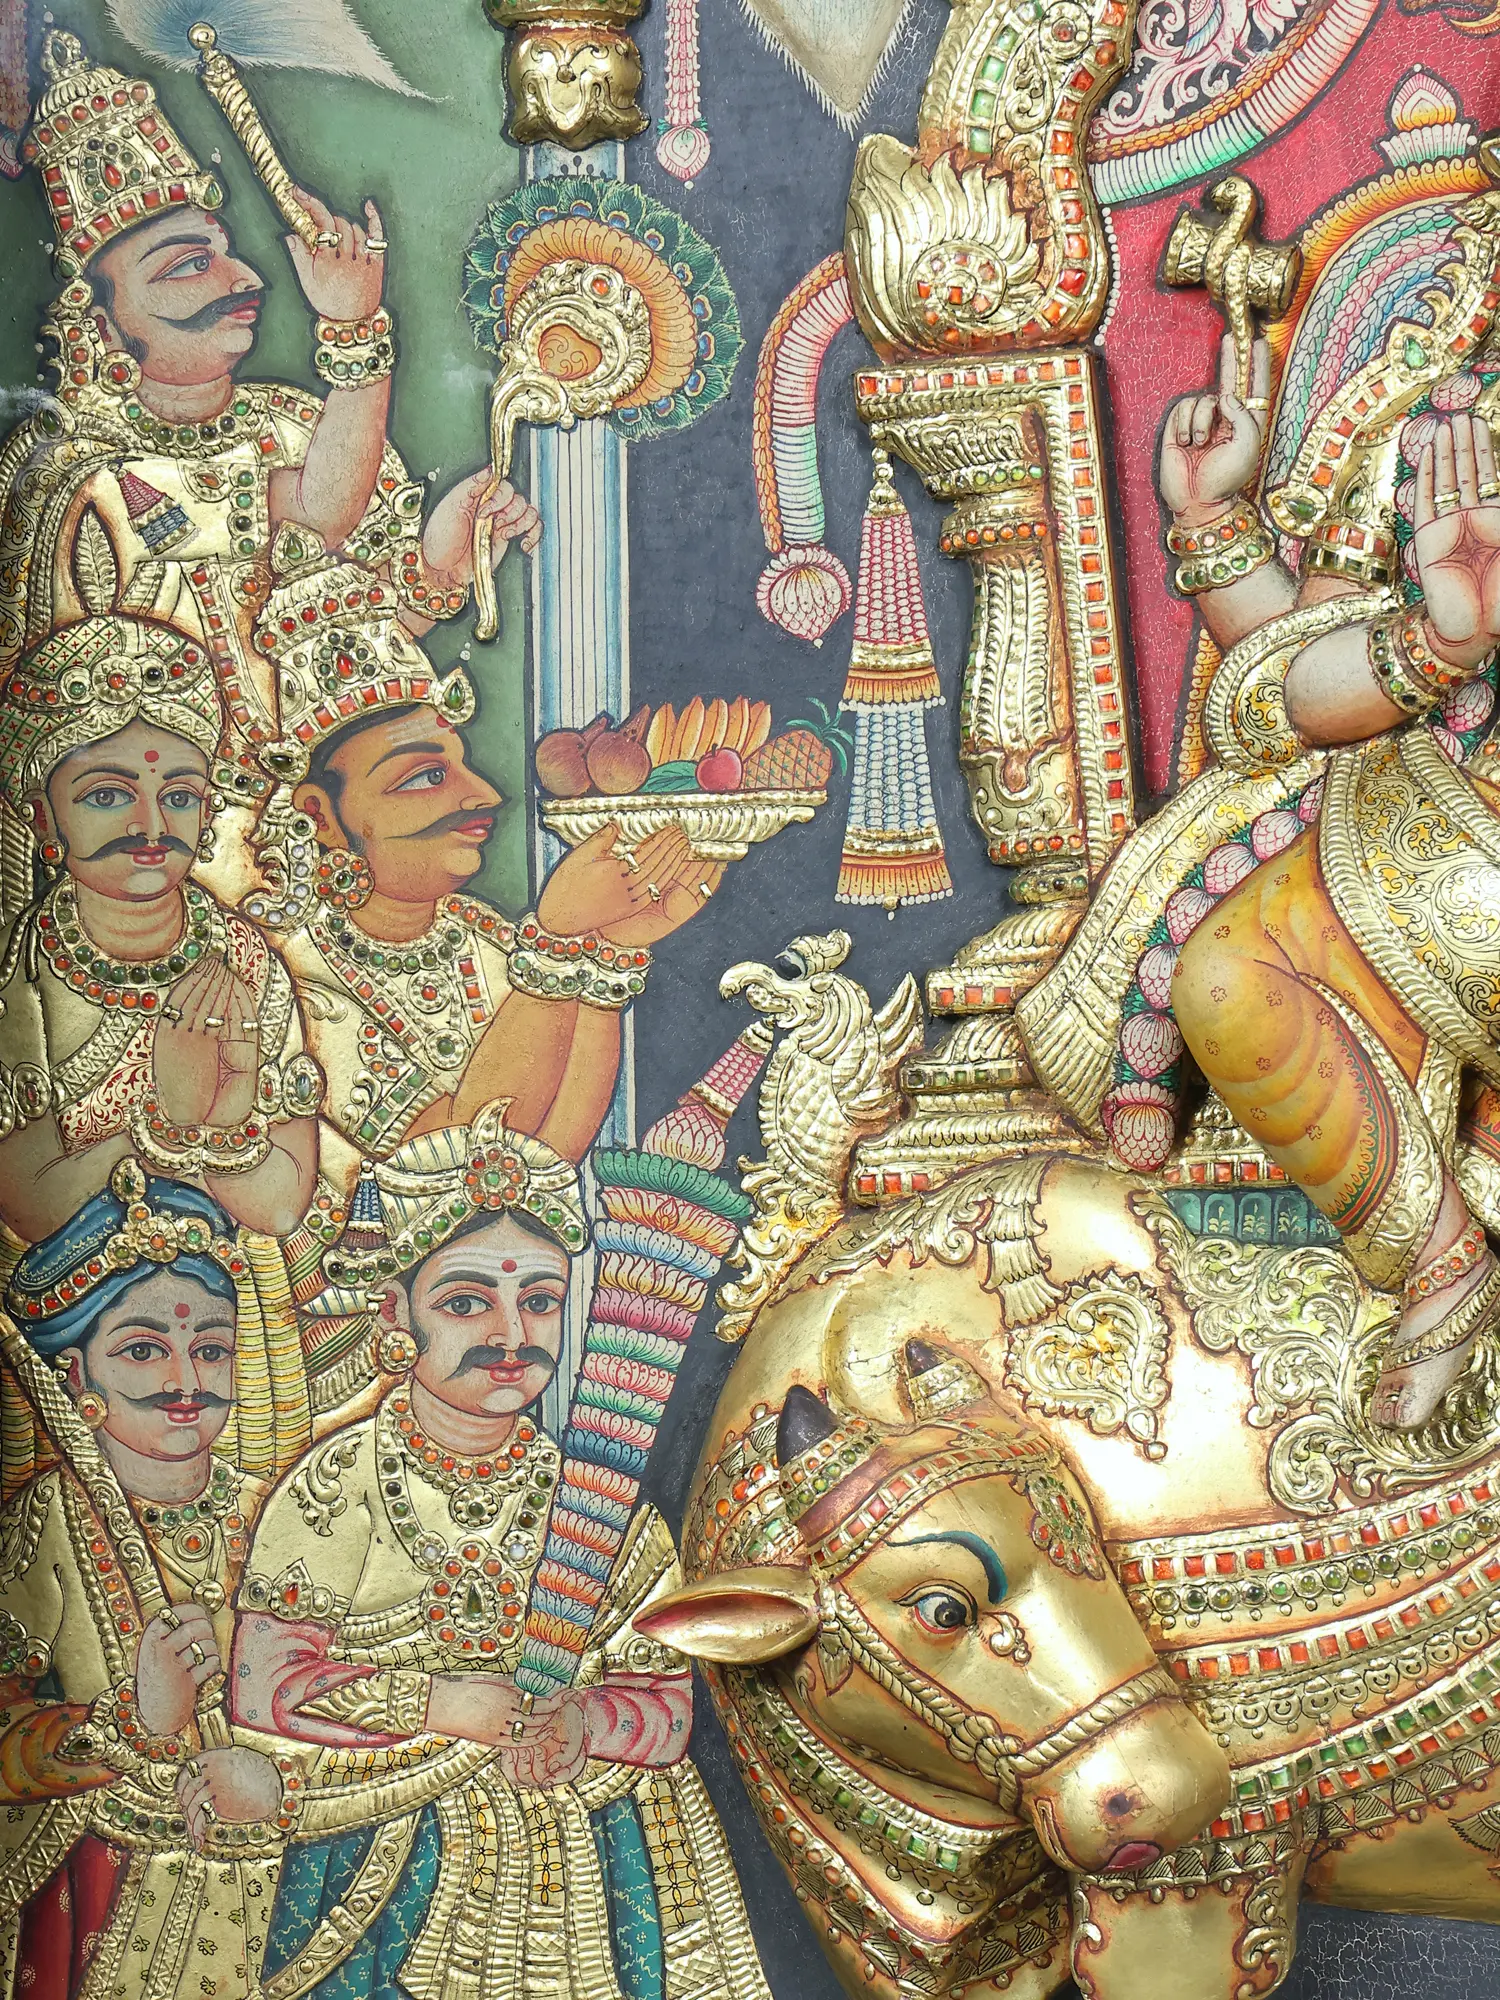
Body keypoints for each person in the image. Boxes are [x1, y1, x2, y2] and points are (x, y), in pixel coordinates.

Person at [231, 1107, 768, 2000]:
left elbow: (667, 1706)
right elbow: (263, 1687)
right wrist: (441, 1705)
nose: (513, 1336)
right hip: (387, 1860)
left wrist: (583, 1725)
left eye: (541, 1301)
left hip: (586, 1870)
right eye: (466, 1302)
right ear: (395, 1311)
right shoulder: (337, 1487)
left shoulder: (599, 1501)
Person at [4, 29, 539, 900]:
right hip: (171, 858)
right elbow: (316, 513)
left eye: (224, 250)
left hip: (331, 831)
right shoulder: (89, 481)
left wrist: (439, 565)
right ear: (101, 325)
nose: (242, 277)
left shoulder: (290, 422)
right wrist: (354, 331)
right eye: (187, 268)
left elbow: (360, 645)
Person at [256, 553, 718, 1225]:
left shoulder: (482, 934)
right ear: (321, 817)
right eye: (423, 777)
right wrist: (556, 941)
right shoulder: (291, 983)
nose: (484, 796)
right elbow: (466, 1161)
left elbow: (554, 1154)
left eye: (461, 765)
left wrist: (611, 945)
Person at [0, 1164, 305, 2000]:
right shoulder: (49, 1524)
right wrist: (132, 1724)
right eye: (143, 1350)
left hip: (265, 1900)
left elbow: (328, 1694)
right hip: (95, 1903)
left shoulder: (279, 1511)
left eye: (210, 1349)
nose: (186, 1382)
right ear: (76, 1379)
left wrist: (278, 1783)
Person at [0, 614, 319, 1246]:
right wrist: (175, 1115)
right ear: (42, 819)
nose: (151, 827)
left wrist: (224, 1111)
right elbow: (32, 1208)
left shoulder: (247, 964)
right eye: (107, 796)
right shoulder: (25, 972)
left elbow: (282, 1207)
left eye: (178, 796)